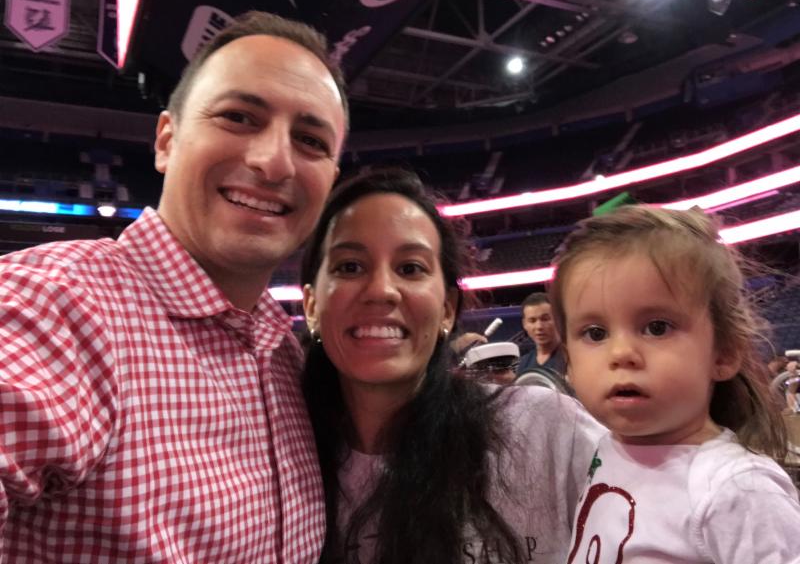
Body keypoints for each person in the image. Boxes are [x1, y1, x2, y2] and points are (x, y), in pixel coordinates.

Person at [0, 11, 347, 561]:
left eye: (310, 140)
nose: (273, 161)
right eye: (238, 117)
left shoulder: (284, 350)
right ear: (166, 140)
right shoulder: (58, 303)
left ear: (330, 180)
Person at [300, 169, 602, 564]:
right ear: (311, 307)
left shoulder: (548, 430)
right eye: (350, 267)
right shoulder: (273, 463)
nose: (381, 291)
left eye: (410, 268)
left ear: (447, 309)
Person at [548, 205, 800, 563]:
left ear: (724, 353)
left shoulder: (737, 489)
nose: (621, 353)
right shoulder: (607, 446)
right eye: (595, 333)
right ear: (569, 363)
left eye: (657, 327)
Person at [515, 292, 567, 378]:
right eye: (532, 320)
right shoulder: (524, 363)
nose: (539, 326)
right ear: (524, 324)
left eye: (545, 319)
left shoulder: (572, 358)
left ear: (558, 319)